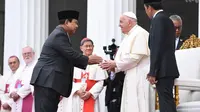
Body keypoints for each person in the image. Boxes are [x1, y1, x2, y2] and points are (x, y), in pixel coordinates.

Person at [30, 10, 102, 112]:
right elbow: (70, 55)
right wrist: (88, 59)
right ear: (67, 22)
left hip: (50, 82)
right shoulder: (59, 35)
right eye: (75, 23)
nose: (77, 26)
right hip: (47, 81)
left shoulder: (61, 34)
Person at [100, 12, 150, 112]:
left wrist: (115, 64)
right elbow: (122, 58)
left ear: (130, 22)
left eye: (121, 22)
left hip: (139, 77)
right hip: (130, 76)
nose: (119, 25)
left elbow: (135, 58)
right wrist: (113, 66)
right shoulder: (128, 36)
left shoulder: (140, 33)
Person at [144, 0, 180, 112]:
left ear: (149, 7)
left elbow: (157, 47)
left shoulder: (158, 20)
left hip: (163, 69)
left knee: (166, 103)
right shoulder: (167, 19)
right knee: (167, 101)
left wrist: (153, 72)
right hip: (167, 68)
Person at [57, 38, 108, 112]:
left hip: (91, 95)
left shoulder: (98, 60)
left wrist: (90, 93)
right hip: (76, 96)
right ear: (81, 48)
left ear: (93, 47)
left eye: (90, 46)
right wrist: (77, 91)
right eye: (86, 46)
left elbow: (101, 82)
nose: (88, 48)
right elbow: (69, 79)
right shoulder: (75, 61)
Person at [2, 46, 36, 112]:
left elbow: (31, 82)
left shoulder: (36, 66)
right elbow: (13, 83)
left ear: (33, 54)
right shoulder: (21, 68)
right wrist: (12, 92)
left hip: (28, 97)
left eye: (29, 53)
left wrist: (18, 93)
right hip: (17, 100)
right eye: (24, 54)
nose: (27, 55)